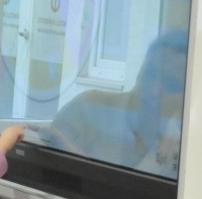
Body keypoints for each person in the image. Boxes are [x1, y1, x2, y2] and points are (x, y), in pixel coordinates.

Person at [47, 30, 188, 178]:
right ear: (140, 71)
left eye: (171, 84)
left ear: (185, 98)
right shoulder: (89, 107)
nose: (154, 90)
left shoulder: (185, 148)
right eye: (151, 73)